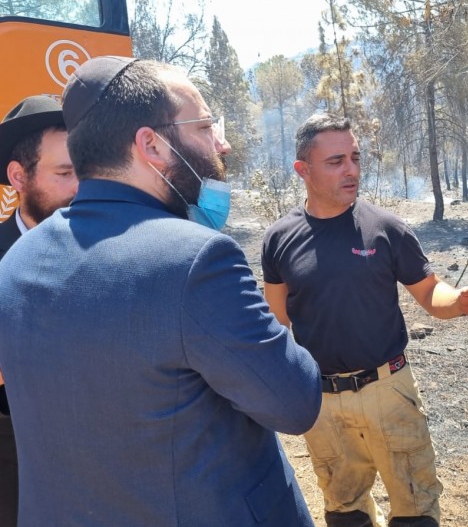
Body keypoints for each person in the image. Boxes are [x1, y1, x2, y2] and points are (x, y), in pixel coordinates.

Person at [0, 56, 322, 527]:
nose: (221, 144)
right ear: (150, 144)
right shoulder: (196, 261)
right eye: (205, 126)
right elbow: (295, 402)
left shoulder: (16, 263)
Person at [261, 113, 468, 527]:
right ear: (303, 170)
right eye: (336, 161)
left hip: (388, 391)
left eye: (355, 157)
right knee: (344, 512)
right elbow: (277, 318)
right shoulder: (279, 238)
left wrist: (461, 301)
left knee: (415, 512)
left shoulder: (385, 228)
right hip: (322, 400)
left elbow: (430, 293)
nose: (352, 169)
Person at [0, 94, 77, 526]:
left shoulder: (112, 245)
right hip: (12, 445)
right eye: (65, 173)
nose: (81, 187)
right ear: (18, 176)